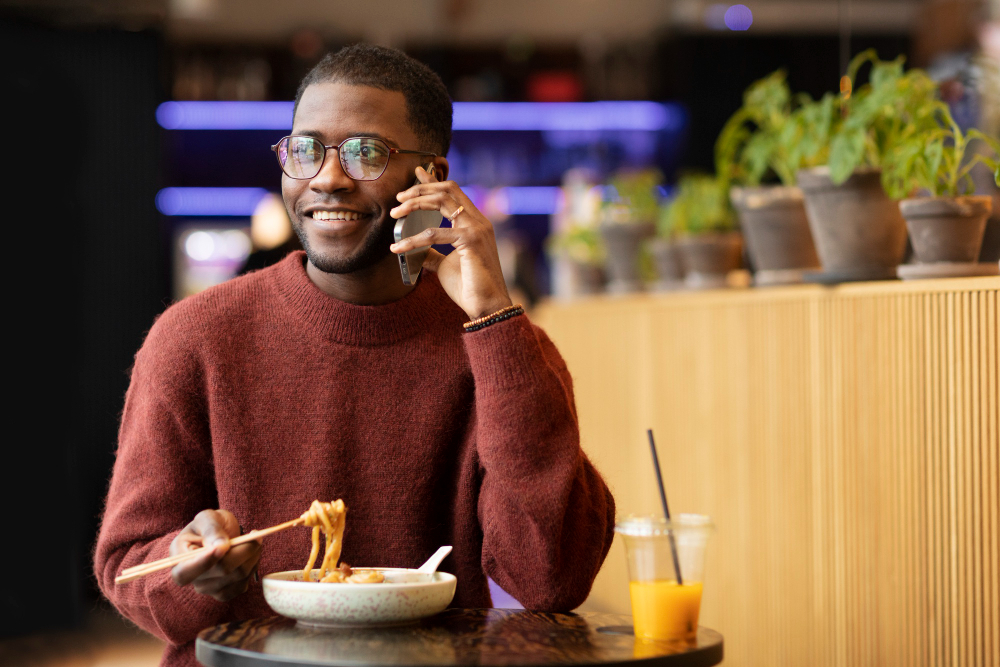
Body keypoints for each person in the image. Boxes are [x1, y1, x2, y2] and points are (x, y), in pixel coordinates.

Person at [94, 44, 615, 667]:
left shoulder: (498, 345)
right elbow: (126, 565)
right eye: (305, 150)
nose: (327, 178)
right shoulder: (194, 337)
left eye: (366, 153)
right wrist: (189, 567)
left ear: (432, 178)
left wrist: (494, 318)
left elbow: (553, 577)